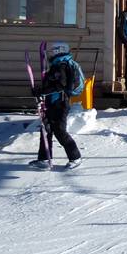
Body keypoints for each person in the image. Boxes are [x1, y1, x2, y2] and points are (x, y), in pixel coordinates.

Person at [29, 41, 83, 170]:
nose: (51, 53)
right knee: (45, 130)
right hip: (52, 103)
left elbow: (60, 85)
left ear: (60, 51)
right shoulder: (56, 65)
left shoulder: (62, 66)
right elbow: (51, 84)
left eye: (54, 50)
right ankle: (44, 159)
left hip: (60, 104)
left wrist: (42, 91)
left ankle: (75, 157)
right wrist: (40, 91)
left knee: (60, 131)